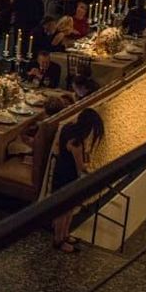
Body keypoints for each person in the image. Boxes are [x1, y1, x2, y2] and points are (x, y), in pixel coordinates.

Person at [48, 108, 104, 253]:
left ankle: (64, 235)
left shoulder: (67, 128)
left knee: (65, 208)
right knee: (65, 210)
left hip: (60, 172)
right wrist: (89, 165)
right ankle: (59, 240)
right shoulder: (77, 142)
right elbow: (80, 167)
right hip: (69, 177)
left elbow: (60, 150)